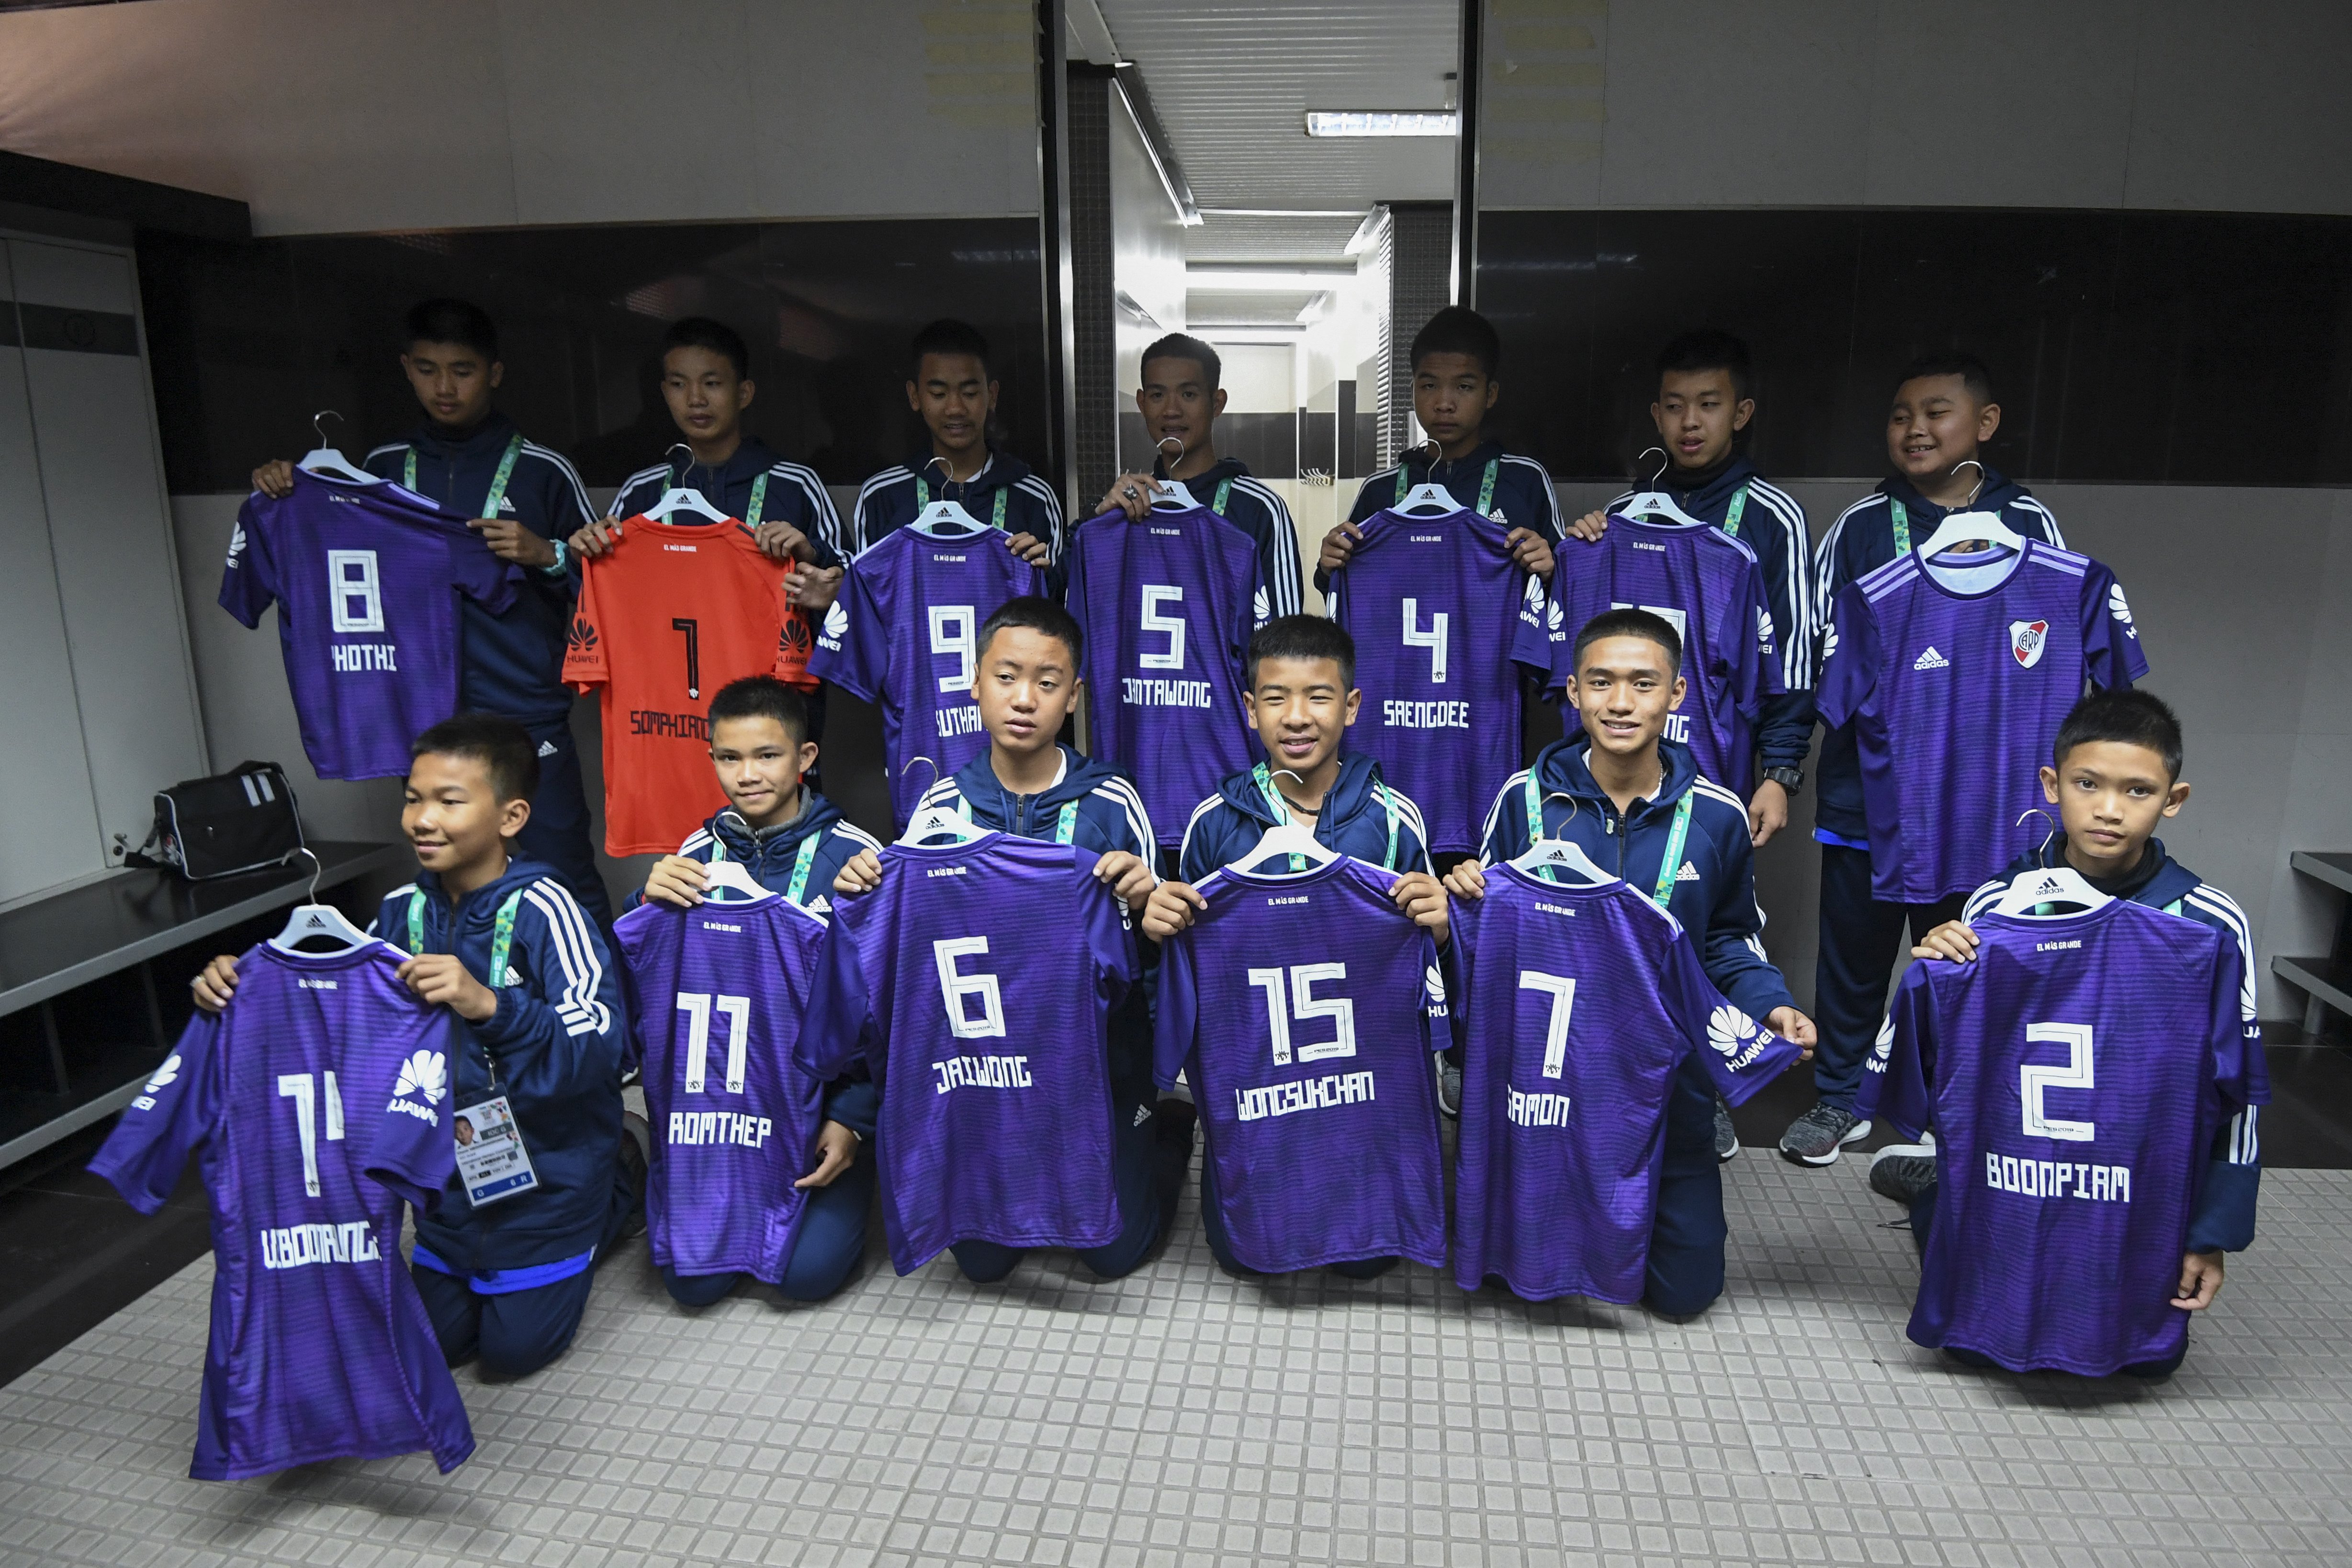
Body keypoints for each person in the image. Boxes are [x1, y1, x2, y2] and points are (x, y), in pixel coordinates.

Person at [191, 715, 636, 1378]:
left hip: (552, 1172)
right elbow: (331, 1015)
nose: (423, 818)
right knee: (423, 1344)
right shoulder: (399, 911)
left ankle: (624, 1180)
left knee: (512, 1353)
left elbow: (606, 1041)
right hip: (448, 1179)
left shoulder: (549, 906)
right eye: (413, 797)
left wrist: (490, 1002)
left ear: (511, 815)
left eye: (449, 800)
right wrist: (237, 991)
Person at [1872, 689, 2263, 1377]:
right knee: (1971, 1342)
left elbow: (2240, 1090)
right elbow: (1957, 1060)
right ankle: (1933, 1184)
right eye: (2088, 784)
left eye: (2137, 789)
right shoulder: (1996, 902)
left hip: (2136, 1161)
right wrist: (1932, 967)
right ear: (2052, 785)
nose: (2109, 808)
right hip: (2017, 1153)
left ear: (2173, 798)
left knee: (2142, 1360)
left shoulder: (2206, 923)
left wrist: (2212, 1233)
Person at [1444, 609, 1815, 1318]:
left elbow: (1728, 939)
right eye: (1601, 682)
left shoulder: (1716, 814)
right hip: (1546, 1070)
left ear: (1676, 694)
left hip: (1661, 1073)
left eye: (1643, 684)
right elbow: (1489, 935)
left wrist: (1771, 1002)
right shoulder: (1522, 799)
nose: (1620, 702)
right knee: (1512, 1273)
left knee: (1684, 1294)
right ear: (1573, 692)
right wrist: (1465, 895)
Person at [830, 596, 1193, 1282]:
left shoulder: (1114, 803)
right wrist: (861, 884)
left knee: (1112, 1252)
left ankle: (1168, 1128)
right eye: (1006, 676)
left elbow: (1157, 955)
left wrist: (1147, 906)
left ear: (1074, 696)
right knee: (983, 1257)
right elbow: (911, 957)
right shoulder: (938, 807)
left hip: (1095, 1059)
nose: (1024, 699)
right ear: (975, 683)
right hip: (987, 1057)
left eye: (1048, 682)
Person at [1785, 352, 2068, 1166]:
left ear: (1983, 424)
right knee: (1853, 959)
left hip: (1986, 802)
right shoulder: (1858, 530)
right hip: (1866, 797)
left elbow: (2055, 661)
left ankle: (1957, 1106)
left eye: (1935, 412)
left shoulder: (2031, 526)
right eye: (1900, 414)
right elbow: (1815, 661)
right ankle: (1839, 1099)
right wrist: (1790, 769)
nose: (1913, 428)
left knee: (1968, 957)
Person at [250, 299, 608, 926]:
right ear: (406, 369)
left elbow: (608, 588)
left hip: (523, 704)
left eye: (462, 370)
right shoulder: (382, 470)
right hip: (420, 709)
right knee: (450, 873)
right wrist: (289, 486)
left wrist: (544, 553)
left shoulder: (542, 470)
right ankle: (469, 1011)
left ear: (494, 372)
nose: (445, 386)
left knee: (560, 869)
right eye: (427, 368)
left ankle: (600, 1019)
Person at [1142, 614, 1451, 1276]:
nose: (1298, 716)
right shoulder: (1212, 822)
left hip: (1360, 1067)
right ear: (1250, 710)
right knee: (1245, 1256)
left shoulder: (1395, 820)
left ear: (1352, 704)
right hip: (1261, 1069)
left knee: (1366, 1263)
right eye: (1276, 697)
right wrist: (1161, 921)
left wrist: (1443, 926)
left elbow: (1428, 972)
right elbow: (1191, 963)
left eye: (1318, 695)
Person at [628, 676, 880, 1306]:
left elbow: (896, 1009)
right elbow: (657, 986)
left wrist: (851, 1117)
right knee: (693, 1281)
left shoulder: (856, 855)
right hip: (728, 1103)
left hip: (821, 1097)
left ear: (805, 758)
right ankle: (629, 1155)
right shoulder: (690, 856)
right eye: (729, 756)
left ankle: (864, 1156)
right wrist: (643, 899)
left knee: (805, 1276)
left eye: (767, 754)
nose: (747, 774)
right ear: (710, 757)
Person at [1561, 330, 1817, 847]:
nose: (1690, 421)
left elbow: (1790, 663)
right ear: (1656, 415)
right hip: (1605, 776)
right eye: (1675, 406)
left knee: (1700, 919)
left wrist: (1779, 773)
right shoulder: (1614, 520)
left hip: (1711, 776)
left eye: (1708, 404)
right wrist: (1570, 556)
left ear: (1740, 413)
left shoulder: (1773, 519)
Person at [578, 316, 845, 610]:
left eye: (712, 383)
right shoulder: (641, 491)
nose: (695, 399)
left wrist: (810, 553)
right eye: (679, 385)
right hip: (665, 655)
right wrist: (581, 554)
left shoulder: (796, 485)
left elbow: (853, 580)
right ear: (665, 393)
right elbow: (600, 595)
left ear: (744, 394)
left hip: (772, 655)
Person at [1317, 305, 1562, 590]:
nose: (1444, 403)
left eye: (1464, 387)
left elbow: (1567, 590)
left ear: (1490, 394)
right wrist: (1327, 568)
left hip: (1494, 635)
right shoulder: (1380, 490)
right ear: (1413, 390)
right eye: (1430, 385)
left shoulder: (1526, 480)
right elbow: (1346, 592)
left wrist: (1549, 570)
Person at [1092, 333, 1305, 624]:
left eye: (1188, 394)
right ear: (1142, 403)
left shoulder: (1260, 511)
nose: (1171, 410)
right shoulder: (1126, 506)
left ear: (1217, 403)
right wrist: (1099, 520)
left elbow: (1287, 645)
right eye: (1157, 395)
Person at [850, 318, 1064, 568]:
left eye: (970, 393)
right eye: (939, 394)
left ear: (992, 396)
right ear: (914, 396)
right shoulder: (882, 496)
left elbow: (1059, 601)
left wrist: (1045, 576)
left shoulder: (1035, 497)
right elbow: (866, 599)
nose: (955, 409)